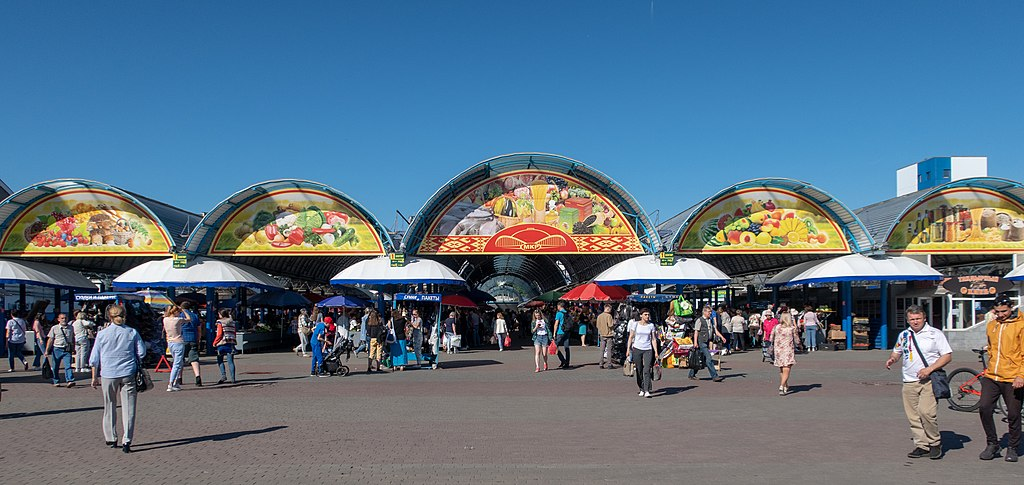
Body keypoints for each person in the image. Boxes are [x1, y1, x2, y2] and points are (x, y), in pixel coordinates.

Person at [885, 305, 952, 460]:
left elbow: (947, 356)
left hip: (928, 380)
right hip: (908, 381)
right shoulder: (904, 335)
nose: (915, 322)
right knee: (913, 416)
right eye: (912, 319)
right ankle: (922, 445)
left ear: (924, 318)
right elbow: (898, 351)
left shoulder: (935, 334)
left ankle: (934, 443)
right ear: (908, 320)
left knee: (926, 412)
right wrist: (893, 359)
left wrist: (929, 369)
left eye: (918, 319)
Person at [89, 304, 146, 454]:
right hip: (128, 372)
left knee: (109, 405)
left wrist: (94, 376)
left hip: (108, 373)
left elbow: (94, 357)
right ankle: (127, 440)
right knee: (129, 407)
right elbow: (141, 352)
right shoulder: (132, 332)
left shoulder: (102, 334)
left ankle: (111, 437)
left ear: (109, 317)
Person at [977, 293, 1024, 462]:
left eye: (1003, 311)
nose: (1000, 314)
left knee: (1013, 413)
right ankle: (992, 444)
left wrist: (1021, 375)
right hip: (992, 375)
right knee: (984, 408)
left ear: (1010, 307)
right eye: (997, 311)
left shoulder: (1021, 325)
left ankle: (1012, 447)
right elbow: (991, 347)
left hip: (1013, 377)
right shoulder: (992, 325)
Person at [626, 308, 660, 398]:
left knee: (647, 369)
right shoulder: (635, 325)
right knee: (639, 369)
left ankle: (647, 390)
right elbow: (631, 337)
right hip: (637, 348)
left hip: (648, 349)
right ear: (641, 315)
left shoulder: (651, 326)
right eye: (645, 314)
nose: (647, 316)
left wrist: (656, 351)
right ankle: (641, 388)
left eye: (648, 315)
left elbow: (653, 339)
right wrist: (628, 349)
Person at [689, 305, 725, 382]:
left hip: (707, 342)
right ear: (704, 312)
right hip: (701, 342)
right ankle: (715, 376)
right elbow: (696, 332)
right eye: (709, 312)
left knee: (701, 358)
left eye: (711, 312)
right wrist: (695, 342)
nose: (710, 313)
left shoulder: (710, 320)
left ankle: (691, 374)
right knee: (709, 359)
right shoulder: (699, 320)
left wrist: (722, 337)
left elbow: (715, 330)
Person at [44, 313, 76, 387]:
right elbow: (50, 339)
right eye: (62, 318)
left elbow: (73, 338)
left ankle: (70, 380)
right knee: (55, 366)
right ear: (58, 319)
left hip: (67, 349)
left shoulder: (71, 328)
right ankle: (56, 381)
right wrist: (47, 350)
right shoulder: (54, 328)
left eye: (65, 318)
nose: (64, 320)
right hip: (57, 349)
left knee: (68, 365)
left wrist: (73, 348)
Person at [771, 310, 798, 395]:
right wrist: (800, 345)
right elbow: (797, 340)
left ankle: (786, 385)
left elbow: (771, 338)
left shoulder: (776, 327)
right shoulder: (792, 328)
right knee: (787, 368)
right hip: (788, 349)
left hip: (778, 349)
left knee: (782, 368)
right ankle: (782, 386)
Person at [162, 305, 186, 392]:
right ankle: (171, 383)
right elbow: (189, 319)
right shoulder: (178, 320)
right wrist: (184, 311)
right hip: (178, 342)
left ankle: (175, 383)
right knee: (177, 364)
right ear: (176, 312)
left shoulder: (165, 319)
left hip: (170, 342)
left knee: (178, 363)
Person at [179, 303, 203, 387]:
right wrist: (198, 339)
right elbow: (199, 329)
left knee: (180, 359)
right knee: (194, 359)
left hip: (182, 339)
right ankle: (197, 377)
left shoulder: (179, 316)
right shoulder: (195, 316)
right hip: (193, 338)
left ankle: (179, 378)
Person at [212, 309, 237, 384]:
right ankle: (233, 379)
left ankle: (223, 376)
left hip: (222, 343)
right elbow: (234, 332)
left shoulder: (220, 322)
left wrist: (215, 342)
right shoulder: (232, 322)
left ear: (221, 314)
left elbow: (219, 334)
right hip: (231, 342)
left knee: (220, 360)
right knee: (231, 361)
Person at [596, 304, 616, 369]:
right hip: (608, 334)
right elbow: (610, 325)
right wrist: (614, 323)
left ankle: (601, 364)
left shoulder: (599, 316)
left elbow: (597, 325)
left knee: (602, 350)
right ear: (608, 309)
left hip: (602, 334)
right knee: (609, 350)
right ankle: (609, 364)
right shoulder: (609, 316)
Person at [554, 302, 572, 369]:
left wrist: (554, 333)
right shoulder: (568, 313)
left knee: (555, 346)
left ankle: (563, 360)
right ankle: (567, 362)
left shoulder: (559, 313)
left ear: (559, 306)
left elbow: (556, 324)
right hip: (567, 331)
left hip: (560, 332)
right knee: (566, 347)